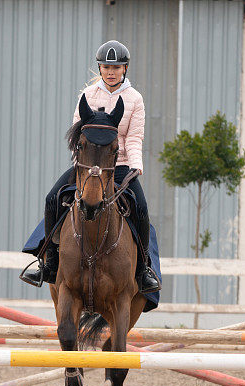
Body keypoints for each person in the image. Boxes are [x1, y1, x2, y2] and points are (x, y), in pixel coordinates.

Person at [21, 40, 161, 293]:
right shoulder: (87, 96)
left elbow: (133, 137)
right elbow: (77, 134)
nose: (110, 71)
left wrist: (136, 165)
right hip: (86, 166)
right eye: (106, 67)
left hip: (118, 166)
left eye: (116, 67)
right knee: (53, 197)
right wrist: (80, 165)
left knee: (140, 208)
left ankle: (143, 271)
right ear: (100, 68)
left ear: (125, 68)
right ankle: (49, 262)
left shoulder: (134, 98)